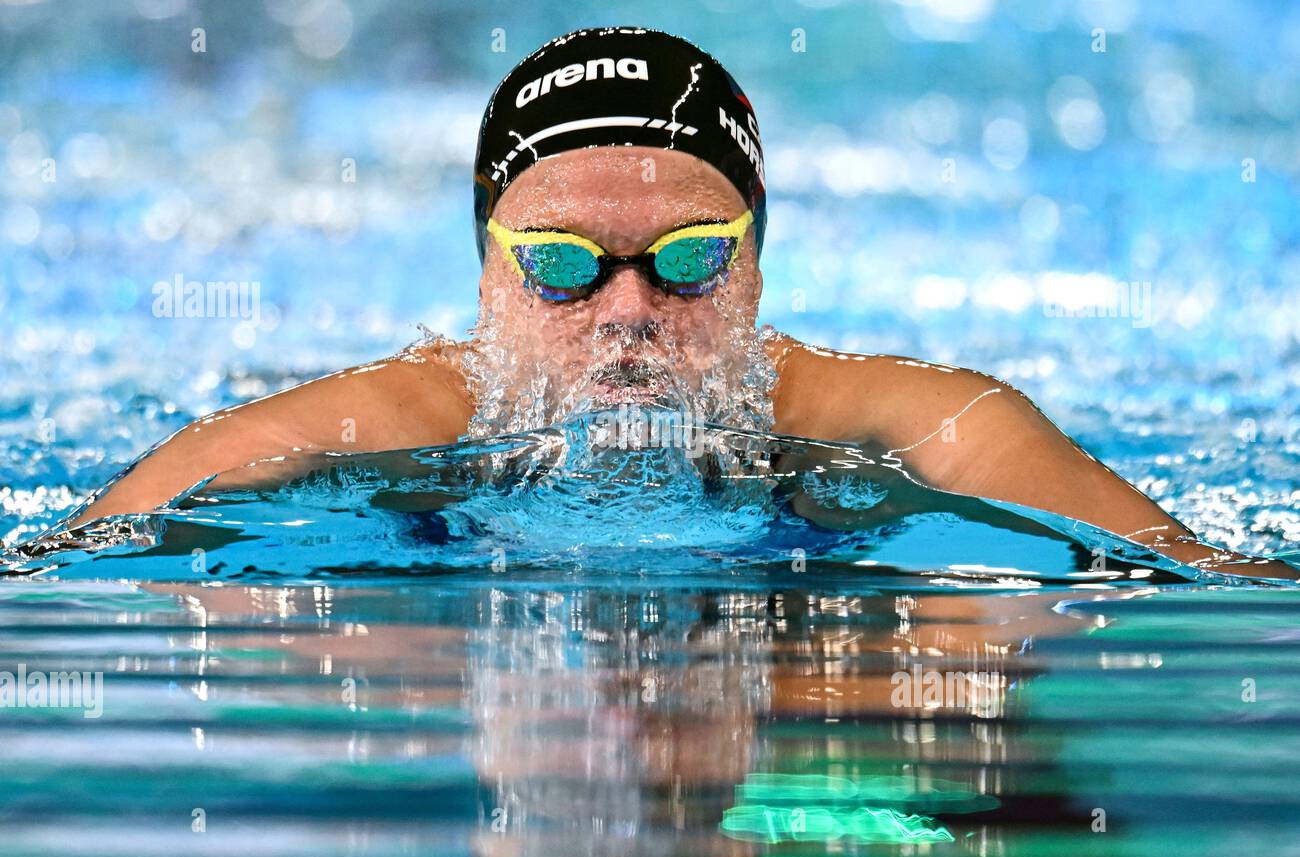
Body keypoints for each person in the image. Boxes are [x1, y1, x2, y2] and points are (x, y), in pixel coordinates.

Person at [68, 26, 1296, 580]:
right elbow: (63, 567)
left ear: (756, 267)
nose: (626, 309)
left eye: (688, 257)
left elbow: (1224, 591)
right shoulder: (356, 427)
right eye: (560, 262)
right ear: (486, 275)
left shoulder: (928, 425)